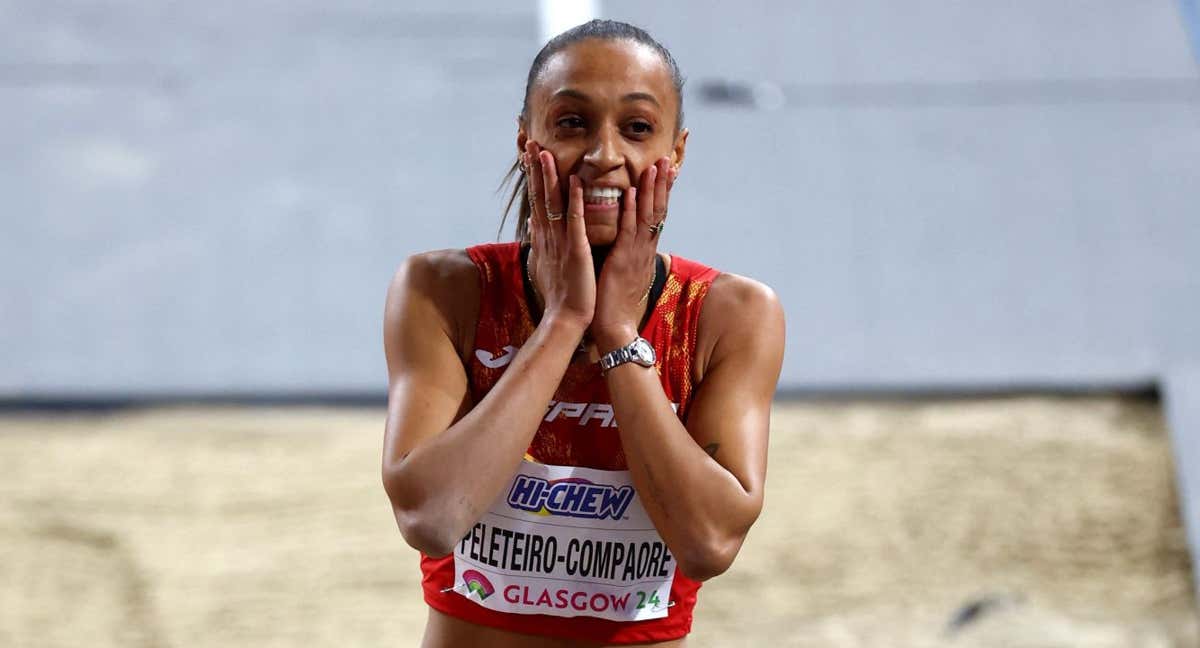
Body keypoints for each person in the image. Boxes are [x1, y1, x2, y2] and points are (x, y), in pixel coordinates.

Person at [381, 19, 785, 648]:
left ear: (674, 153)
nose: (603, 154)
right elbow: (431, 517)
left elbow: (708, 542)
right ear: (526, 140)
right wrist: (564, 321)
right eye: (572, 123)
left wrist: (619, 331)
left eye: (637, 128)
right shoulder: (444, 290)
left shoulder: (728, 314)